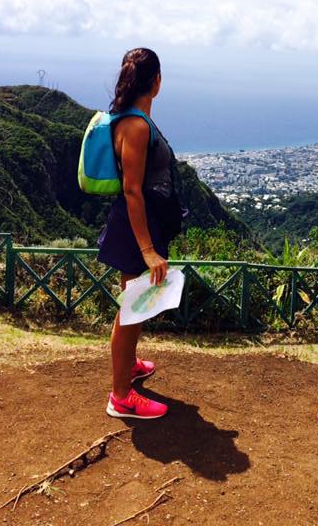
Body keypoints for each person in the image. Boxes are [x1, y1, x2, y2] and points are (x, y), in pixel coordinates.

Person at [98, 47, 182, 420]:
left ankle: (128, 367)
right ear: (157, 82)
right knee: (132, 310)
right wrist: (148, 248)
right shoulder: (135, 125)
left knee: (134, 303)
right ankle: (121, 396)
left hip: (141, 222)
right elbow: (132, 189)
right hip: (137, 227)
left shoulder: (133, 119)